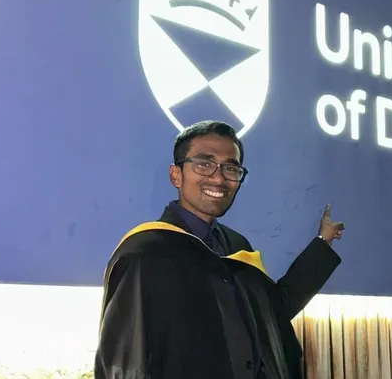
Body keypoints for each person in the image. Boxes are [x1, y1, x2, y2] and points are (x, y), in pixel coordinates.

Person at [94, 120, 345, 379]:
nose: (219, 177)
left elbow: (275, 312)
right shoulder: (146, 253)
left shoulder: (237, 247)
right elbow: (124, 365)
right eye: (204, 164)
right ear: (175, 175)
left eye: (230, 168)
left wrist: (322, 244)